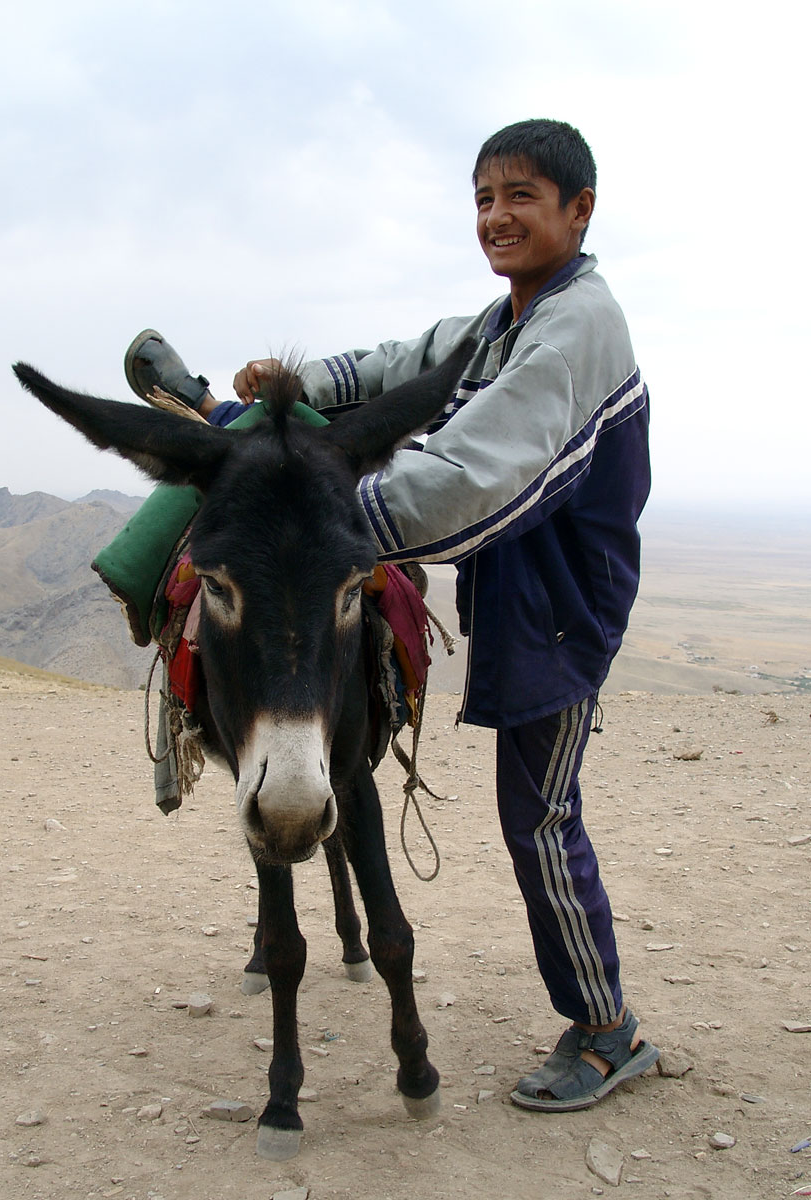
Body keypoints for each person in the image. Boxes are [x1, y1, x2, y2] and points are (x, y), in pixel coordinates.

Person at [124, 118, 658, 1112]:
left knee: (539, 817)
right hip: (522, 595)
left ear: (580, 211)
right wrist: (305, 388)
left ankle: (606, 1029)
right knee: (533, 812)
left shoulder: (577, 327)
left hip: (560, 607)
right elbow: (405, 363)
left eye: (521, 198)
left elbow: (469, 473)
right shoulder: (512, 319)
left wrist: (312, 518)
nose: (497, 218)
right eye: (484, 200)